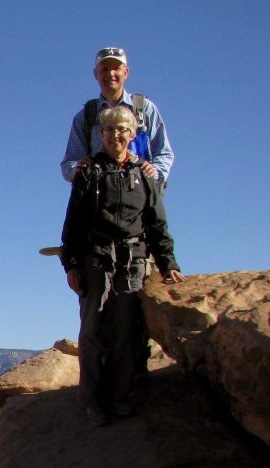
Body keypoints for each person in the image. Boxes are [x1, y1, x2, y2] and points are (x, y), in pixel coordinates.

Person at [61, 105, 185, 426]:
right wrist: (71, 264)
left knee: (126, 332)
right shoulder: (89, 173)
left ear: (132, 134)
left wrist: (168, 263)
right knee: (92, 331)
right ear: (101, 135)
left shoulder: (143, 175)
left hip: (133, 260)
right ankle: (93, 403)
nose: (115, 135)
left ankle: (120, 398)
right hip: (96, 259)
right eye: (109, 130)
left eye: (122, 130)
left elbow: (157, 224)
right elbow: (73, 224)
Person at [61, 47, 174, 187]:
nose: (111, 74)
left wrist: (154, 172)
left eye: (116, 68)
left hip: (139, 193)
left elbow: (164, 153)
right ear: (96, 74)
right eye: (105, 69)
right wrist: (77, 169)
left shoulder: (144, 109)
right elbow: (68, 164)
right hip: (99, 194)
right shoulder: (86, 116)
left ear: (126, 72)